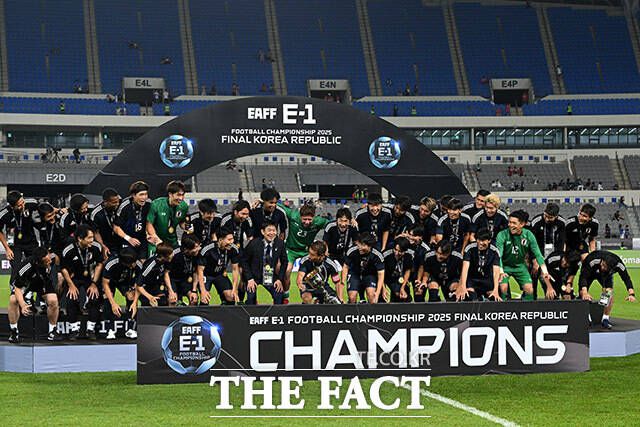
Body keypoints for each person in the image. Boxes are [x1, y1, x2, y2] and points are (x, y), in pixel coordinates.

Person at [495, 210, 553, 301]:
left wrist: (545, 272)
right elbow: (499, 256)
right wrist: (501, 272)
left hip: (520, 266)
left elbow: (538, 254)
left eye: (514, 223)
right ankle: (503, 307)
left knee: (529, 289)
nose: (510, 225)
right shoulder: (502, 235)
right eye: (509, 222)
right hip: (505, 266)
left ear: (522, 224)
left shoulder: (528, 235)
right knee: (503, 287)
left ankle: (526, 307)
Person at [60, 224, 105, 340]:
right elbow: (64, 269)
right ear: (80, 239)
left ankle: (91, 329)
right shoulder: (68, 250)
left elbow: (99, 264)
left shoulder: (96, 247)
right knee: (71, 299)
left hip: (90, 279)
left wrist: (94, 283)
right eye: (89, 238)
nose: (92, 240)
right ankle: (74, 330)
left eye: (92, 237)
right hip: (73, 278)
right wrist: (70, 285)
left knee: (94, 298)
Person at [8, 247, 62, 342]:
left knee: (53, 301)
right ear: (38, 262)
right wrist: (23, 305)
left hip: (42, 281)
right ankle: (14, 332)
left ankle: (52, 331)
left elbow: (56, 259)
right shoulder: (26, 267)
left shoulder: (51, 257)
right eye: (46, 262)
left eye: (49, 259)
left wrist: (59, 271)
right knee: (13, 300)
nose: (49, 262)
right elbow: (18, 288)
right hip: (27, 283)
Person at [279, 202, 329, 302]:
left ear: (314, 217)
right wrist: (261, 201)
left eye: (310, 219)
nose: (307, 222)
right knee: (287, 271)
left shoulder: (319, 221)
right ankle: (286, 296)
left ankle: (313, 295)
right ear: (300, 216)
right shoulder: (293, 215)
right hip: (291, 250)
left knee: (313, 273)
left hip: (307, 252)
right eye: (304, 219)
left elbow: (333, 224)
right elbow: (280, 206)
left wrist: (351, 220)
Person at [578, 250, 636, 329]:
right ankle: (587, 318)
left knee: (608, 293)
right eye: (603, 264)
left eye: (605, 267)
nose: (602, 267)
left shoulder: (619, 265)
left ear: (611, 268)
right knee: (582, 293)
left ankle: (605, 319)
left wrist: (631, 294)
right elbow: (583, 277)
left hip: (605, 275)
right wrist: (585, 292)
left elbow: (626, 278)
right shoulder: (593, 260)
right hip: (589, 272)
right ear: (602, 260)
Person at [241, 221, 288, 305]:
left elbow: (284, 262)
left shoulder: (280, 243)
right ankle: (251, 308)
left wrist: (279, 279)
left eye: (274, 230)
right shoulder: (254, 243)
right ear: (263, 232)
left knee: (279, 294)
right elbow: (244, 261)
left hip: (270, 275)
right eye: (269, 230)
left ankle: (276, 312)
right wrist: (249, 278)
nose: (271, 233)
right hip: (254, 276)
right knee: (251, 297)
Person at [0, 191, 39, 284]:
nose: (23, 205)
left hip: (31, 242)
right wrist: (7, 249)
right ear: (12, 206)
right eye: (19, 205)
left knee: (35, 266)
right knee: (16, 267)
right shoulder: (4, 214)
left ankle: (30, 289)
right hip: (15, 244)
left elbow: (45, 208)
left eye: (23, 202)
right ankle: (14, 287)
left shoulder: (31, 203)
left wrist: (58, 210)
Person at [101, 247, 139, 339]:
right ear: (124, 262)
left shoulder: (137, 264)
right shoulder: (111, 264)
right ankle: (109, 330)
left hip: (124, 281)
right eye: (132, 263)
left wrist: (134, 303)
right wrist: (113, 303)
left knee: (131, 297)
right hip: (110, 282)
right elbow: (105, 283)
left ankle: (130, 328)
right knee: (107, 298)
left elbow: (139, 284)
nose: (134, 264)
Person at [196, 227, 241, 305]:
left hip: (220, 274)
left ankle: (224, 307)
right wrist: (203, 291)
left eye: (232, 239)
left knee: (231, 296)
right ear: (220, 240)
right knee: (205, 299)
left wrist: (234, 289)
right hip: (206, 275)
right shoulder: (207, 249)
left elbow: (235, 269)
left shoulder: (234, 249)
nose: (232, 242)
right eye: (229, 240)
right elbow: (200, 271)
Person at [455, 228, 502, 302]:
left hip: (486, 279)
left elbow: (496, 272)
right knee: (468, 296)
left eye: (483, 240)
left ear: (489, 240)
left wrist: (495, 290)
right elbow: (465, 269)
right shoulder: (470, 248)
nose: (480, 243)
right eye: (479, 240)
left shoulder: (494, 251)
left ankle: (484, 299)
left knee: (494, 298)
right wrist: (463, 287)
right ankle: (478, 298)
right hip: (472, 279)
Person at [341, 233, 385, 304]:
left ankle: (370, 311)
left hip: (369, 274)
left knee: (372, 296)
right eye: (359, 244)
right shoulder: (352, 250)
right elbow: (345, 267)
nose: (360, 248)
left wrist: (377, 293)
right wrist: (343, 282)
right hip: (355, 273)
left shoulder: (377, 255)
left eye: (363, 245)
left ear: (370, 246)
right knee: (352, 297)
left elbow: (381, 275)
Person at [113, 181, 152, 260]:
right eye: (141, 194)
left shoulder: (149, 203)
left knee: (143, 261)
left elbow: (150, 221)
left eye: (146, 194)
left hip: (142, 238)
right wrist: (129, 238)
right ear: (133, 195)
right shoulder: (124, 206)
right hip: (126, 238)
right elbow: (116, 227)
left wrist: (150, 234)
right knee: (130, 260)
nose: (144, 197)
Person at [147, 180, 189, 251]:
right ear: (170, 194)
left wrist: (188, 228)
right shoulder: (156, 204)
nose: (181, 198)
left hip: (172, 241)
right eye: (178, 195)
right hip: (156, 241)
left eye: (183, 195)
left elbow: (182, 222)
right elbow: (149, 224)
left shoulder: (184, 206)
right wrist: (156, 239)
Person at [134, 243, 176, 310]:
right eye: (171, 253)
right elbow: (138, 285)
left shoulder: (166, 260)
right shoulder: (150, 266)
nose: (173, 255)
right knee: (151, 307)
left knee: (165, 301)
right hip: (146, 289)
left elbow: (165, 273)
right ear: (163, 256)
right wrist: (150, 297)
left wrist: (171, 291)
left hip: (156, 284)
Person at [167, 235, 202, 305]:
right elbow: (166, 273)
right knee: (172, 300)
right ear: (186, 249)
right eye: (195, 248)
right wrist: (171, 291)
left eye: (198, 246)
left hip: (185, 279)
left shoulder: (197, 254)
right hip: (172, 279)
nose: (198, 249)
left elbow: (196, 272)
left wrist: (194, 290)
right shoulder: (174, 253)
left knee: (194, 299)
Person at [90, 188, 121, 258]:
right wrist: (103, 246)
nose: (117, 204)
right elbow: (96, 232)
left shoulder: (120, 205)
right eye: (114, 202)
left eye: (118, 201)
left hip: (120, 240)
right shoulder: (96, 213)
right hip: (105, 242)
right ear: (105, 202)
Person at [382, 237, 414, 302]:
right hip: (386, 277)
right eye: (395, 250)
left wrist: (403, 287)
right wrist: (383, 288)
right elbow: (380, 273)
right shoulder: (385, 255)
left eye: (400, 251)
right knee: (396, 292)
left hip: (401, 277)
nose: (396, 253)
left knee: (404, 295)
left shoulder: (409, 254)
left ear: (405, 251)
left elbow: (407, 271)